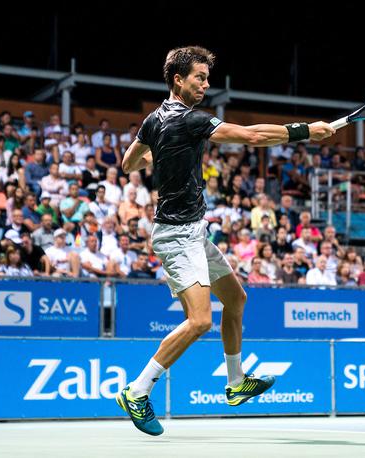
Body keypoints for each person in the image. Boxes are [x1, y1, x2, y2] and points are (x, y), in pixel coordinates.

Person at [117, 46, 334, 435]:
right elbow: (250, 136)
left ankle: (235, 384)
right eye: (199, 77)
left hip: (194, 232)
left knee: (235, 298)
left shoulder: (154, 121)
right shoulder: (189, 119)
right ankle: (137, 390)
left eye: (206, 78)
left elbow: (129, 163)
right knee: (199, 320)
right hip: (177, 234)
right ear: (178, 79)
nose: (205, 84)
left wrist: (159, 157)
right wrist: (306, 131)